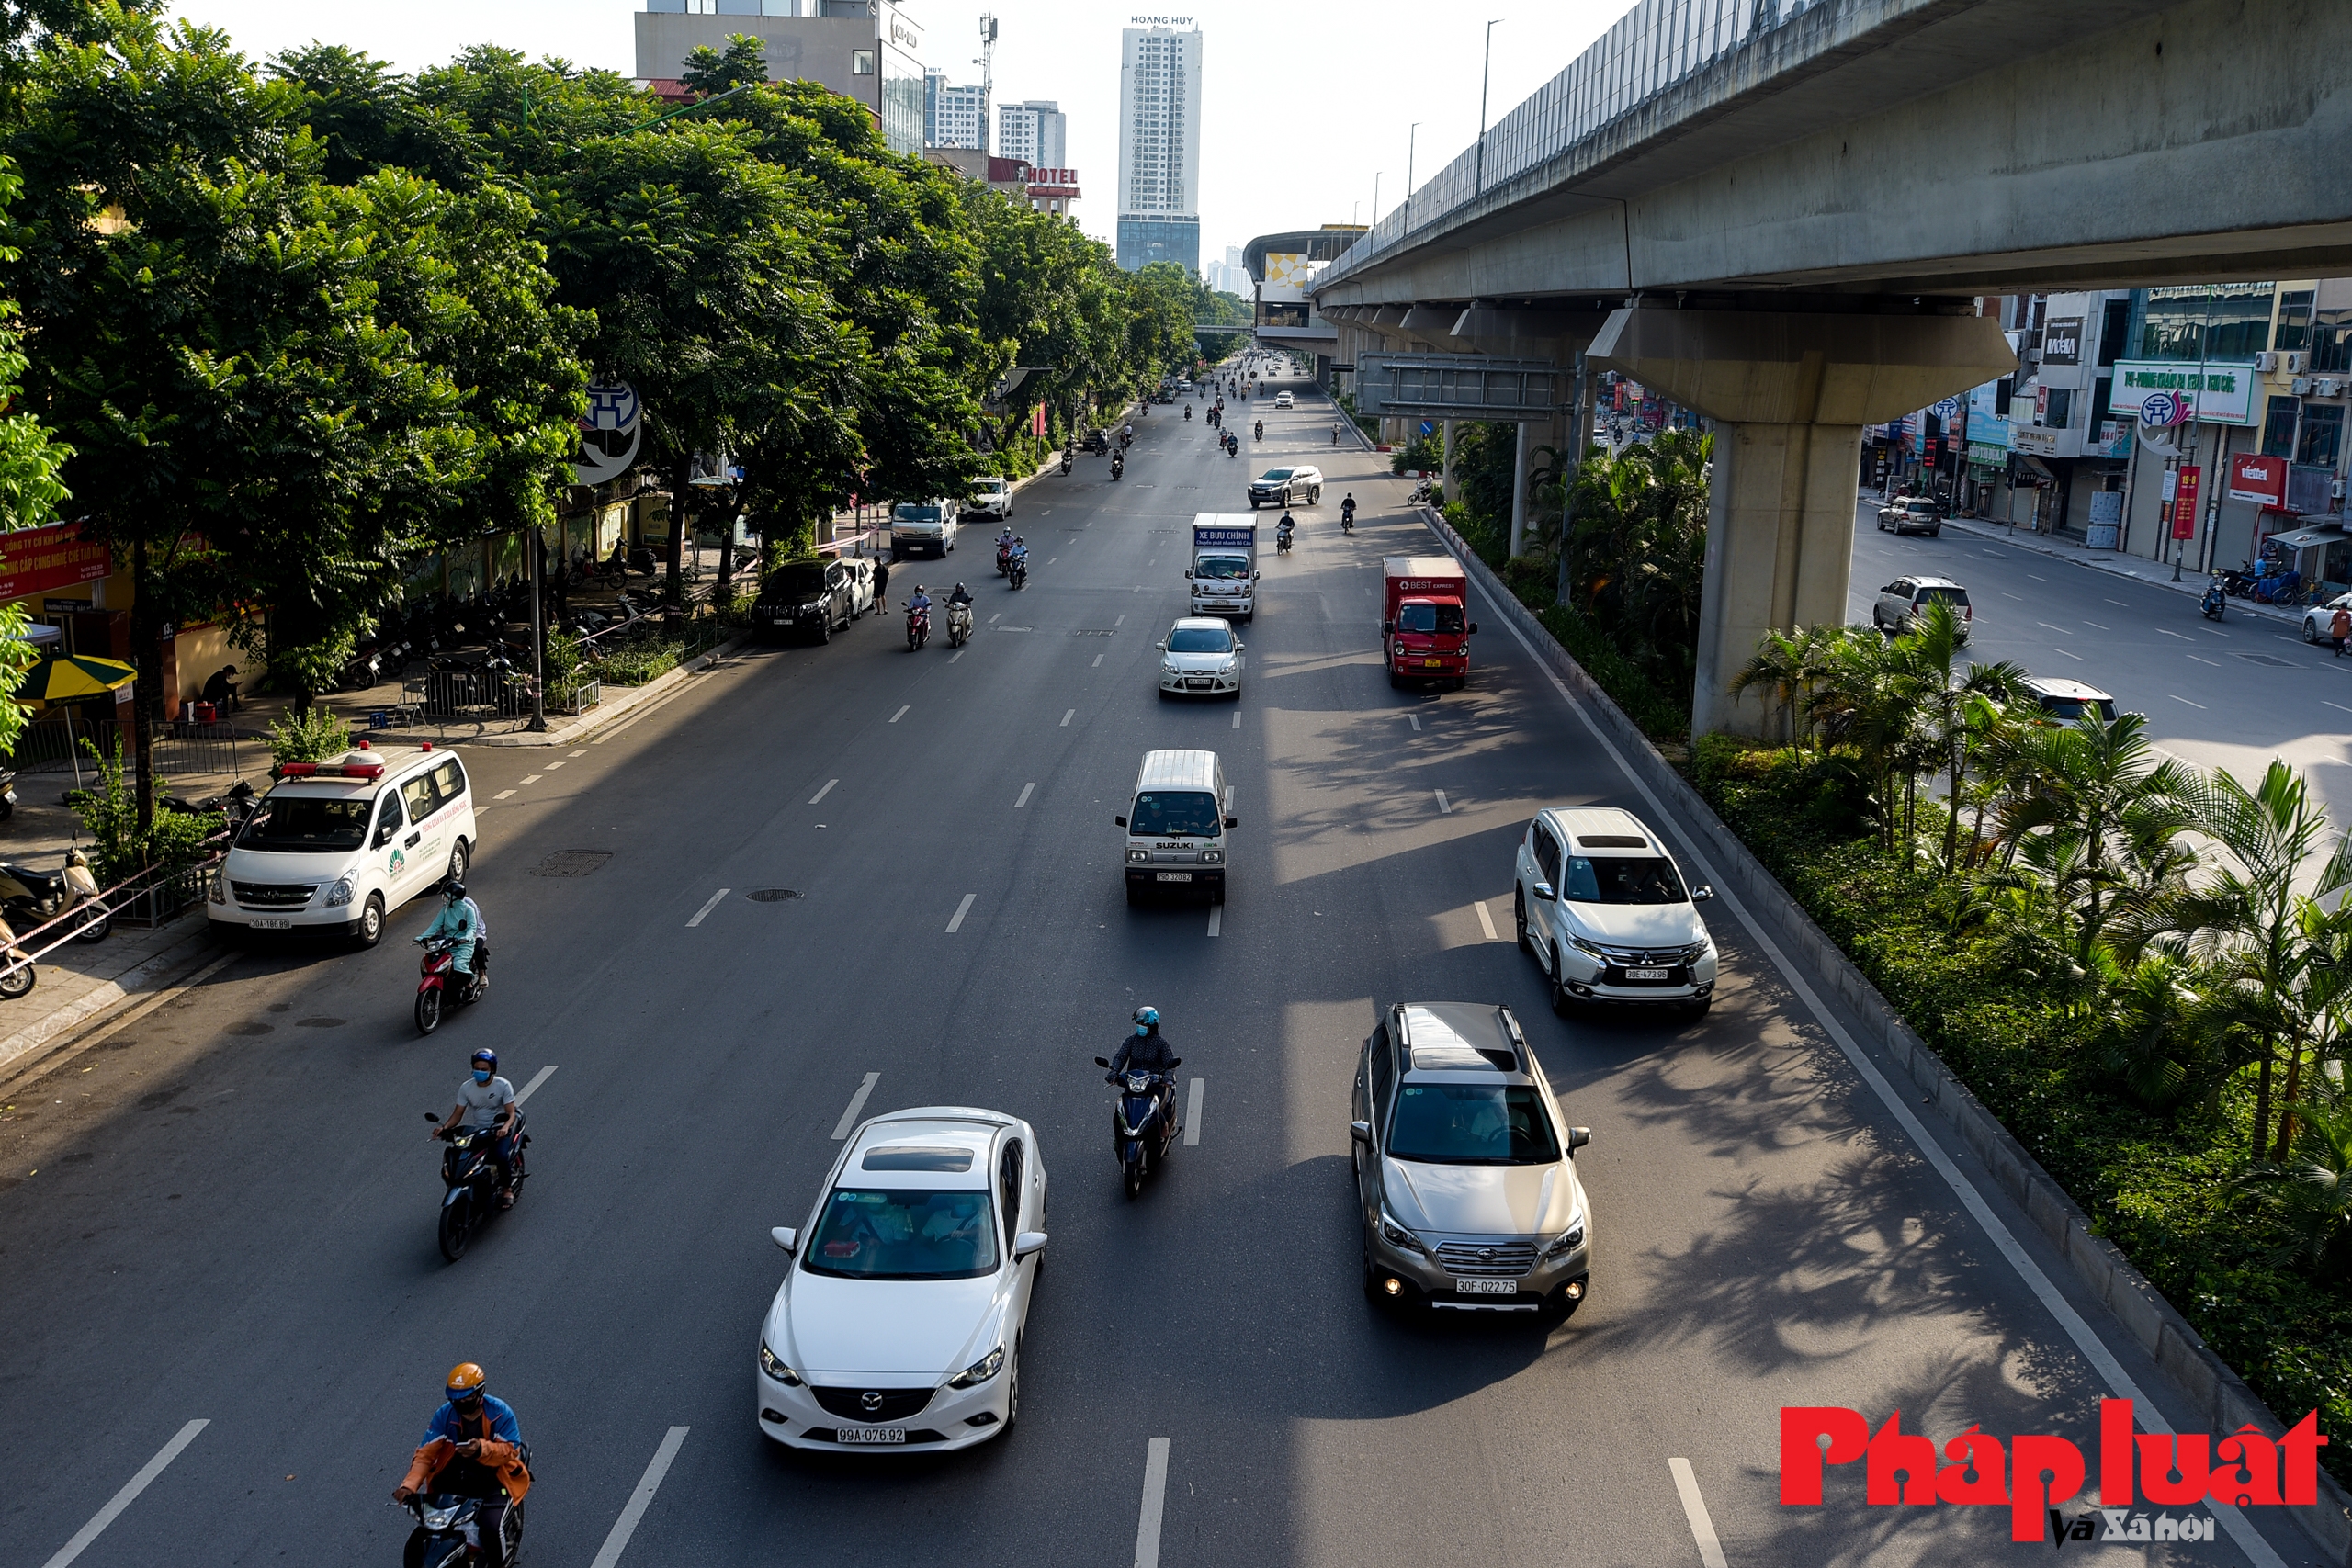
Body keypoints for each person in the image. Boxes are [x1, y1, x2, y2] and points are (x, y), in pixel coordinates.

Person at [395, 1362, 531, 1566]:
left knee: (491, 1527)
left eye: (466, 1397)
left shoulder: (501, 1413)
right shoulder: (444, 1415)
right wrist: (409, 1485)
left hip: (496, 1480)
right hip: (458, 1477)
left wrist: (481, 1450)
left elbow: (510, 1451)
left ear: (479, 1393)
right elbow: (425, 1454)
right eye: (455, 1398)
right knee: (428, 1530)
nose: (460, 1402)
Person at [1107, 1005, 1180, 1128]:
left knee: (1156, 1112)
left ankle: (1164, 1129)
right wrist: (1114, 1071)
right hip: (1134, 1084)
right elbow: (1120, 1057)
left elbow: (1169, 1064)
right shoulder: (1131, 1041)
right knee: (1120, 1113)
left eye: (1143, 1024)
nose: (1140, 1027)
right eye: (1138, 1023)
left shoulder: (1161, 1044)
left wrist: (1167, 1078)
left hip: (1154, 1085)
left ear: (1152, 1026)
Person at [416, 880, 486, 983]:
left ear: (454, 896)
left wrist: (467, 937)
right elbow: (437, 925)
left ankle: (479, 976)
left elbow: (473, 926)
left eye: (446, 895)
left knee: (477, 950)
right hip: (451, 937)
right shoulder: (446, 907)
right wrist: (425, 937)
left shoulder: (469, 907)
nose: (444, 897)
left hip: (471, 935)